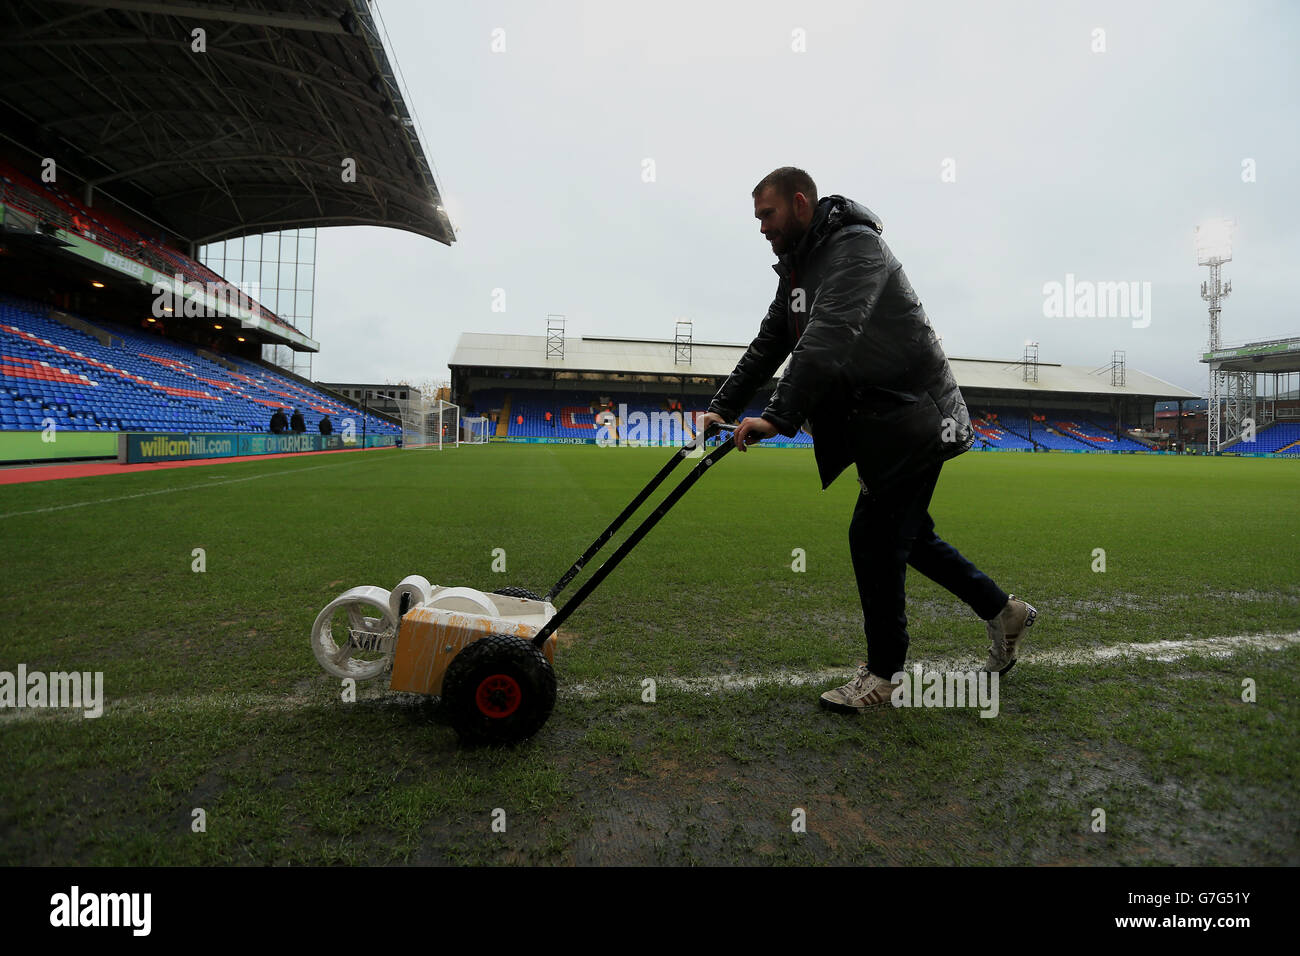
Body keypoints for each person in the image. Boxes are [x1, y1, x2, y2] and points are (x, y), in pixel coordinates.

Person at [699, 167, 1036, 714]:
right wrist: (723, 406)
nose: (761, 227)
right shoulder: (800, 267)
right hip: (883, 423)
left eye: (768, 214)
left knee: (874, 537)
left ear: (800, 203)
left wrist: (778, 416)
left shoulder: (857, 248)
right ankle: (1004, 612)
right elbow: (771, 340)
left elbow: (830, 334)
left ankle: (884, 676)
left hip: (918, 417)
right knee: (910, 537)